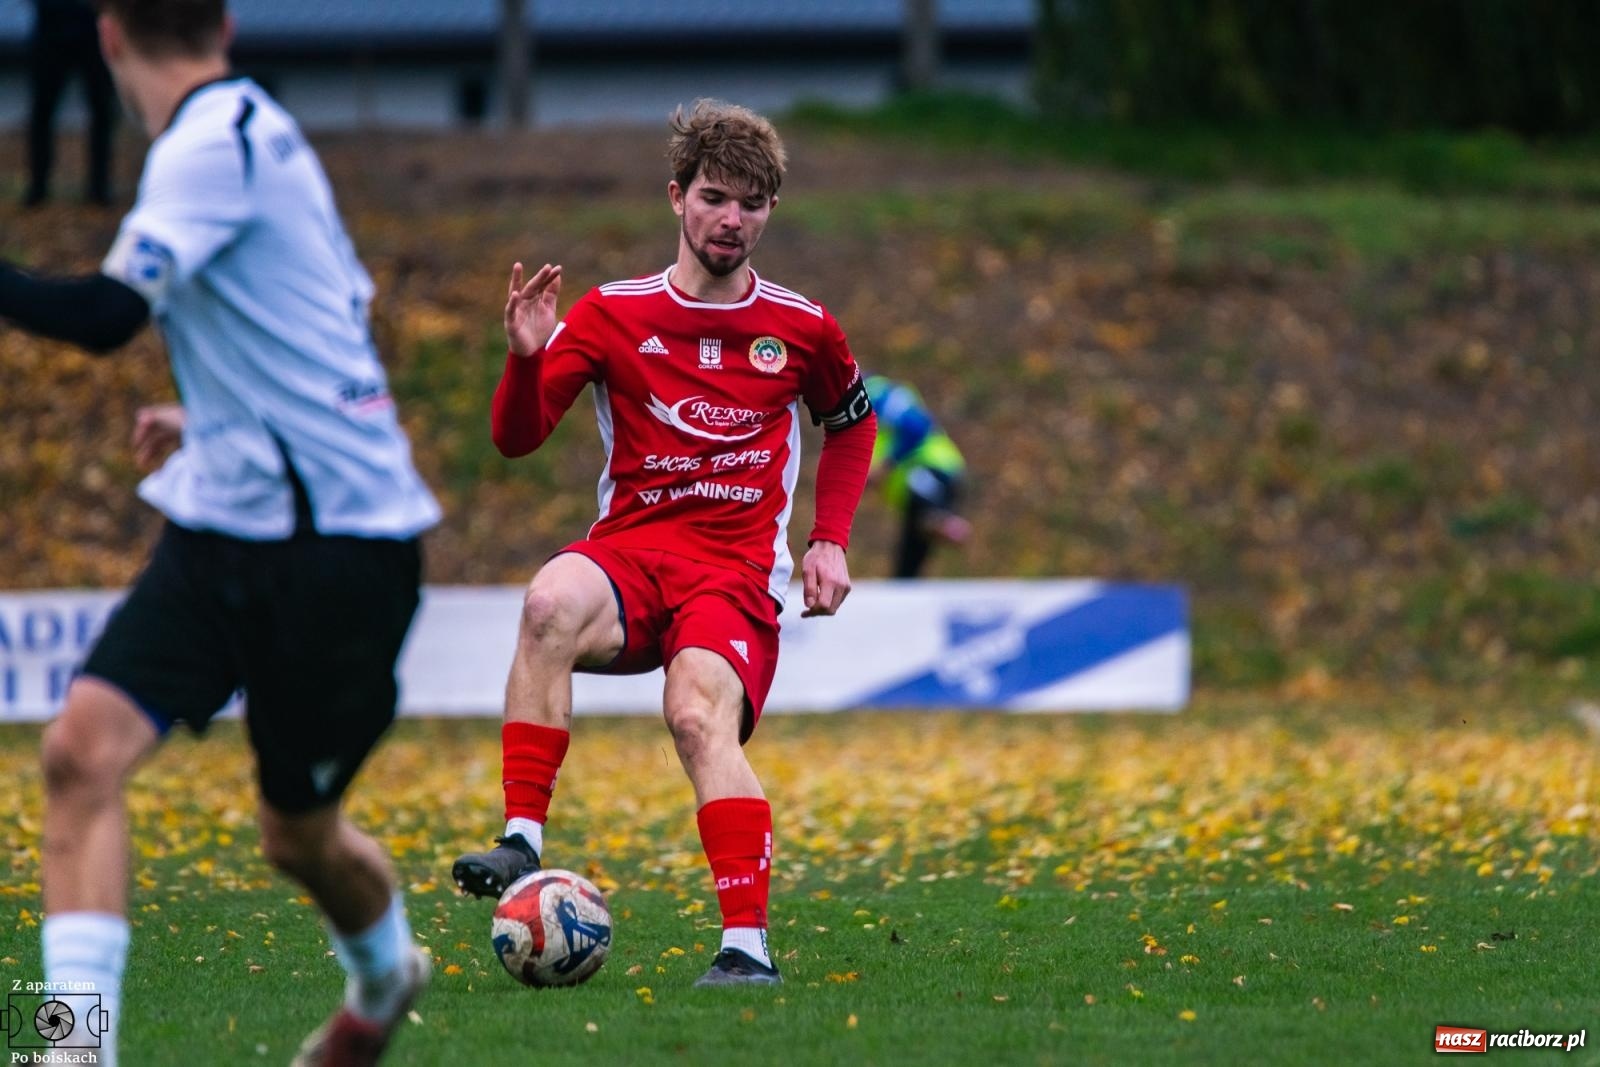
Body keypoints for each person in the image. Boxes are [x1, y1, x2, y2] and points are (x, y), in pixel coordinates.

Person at [0, 2, 441, 1063]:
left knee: (296, 834)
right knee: (78, 753)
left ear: (108, 35)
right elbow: (326, 321)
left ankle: (386, 971)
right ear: (227, 24)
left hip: (339, 551)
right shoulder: (256, 131)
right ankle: (72, 1050)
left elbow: (107, 318)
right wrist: (220, 418)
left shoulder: (210, 146)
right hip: (224, 530)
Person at [452, 99, 877, 988]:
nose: (732, 220)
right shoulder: (612, 313)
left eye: (752, 204)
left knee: (694, 714)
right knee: (548, 602)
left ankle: (746, 949)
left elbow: (850, 422)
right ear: (677, 196)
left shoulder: (803, 326)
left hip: (732, 576)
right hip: (631, 558)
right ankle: (521, 840)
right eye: (715, 197)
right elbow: (516, 439)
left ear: (770, 210)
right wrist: (526, 357)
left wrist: (829, 539)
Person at [865, 374, 970, 578]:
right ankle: (904, 585)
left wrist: (885, 465)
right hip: (911, 500)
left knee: (921, 492)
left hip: (933, 471)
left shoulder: (874, 394)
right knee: (909, 558)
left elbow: (915, 428)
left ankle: (941, 517)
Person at [25, 0, 117, 206]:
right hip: (53, 26)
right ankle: (38, 184)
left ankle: (99, 186)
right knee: (42, 111)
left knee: (102, 110)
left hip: (91, 28)